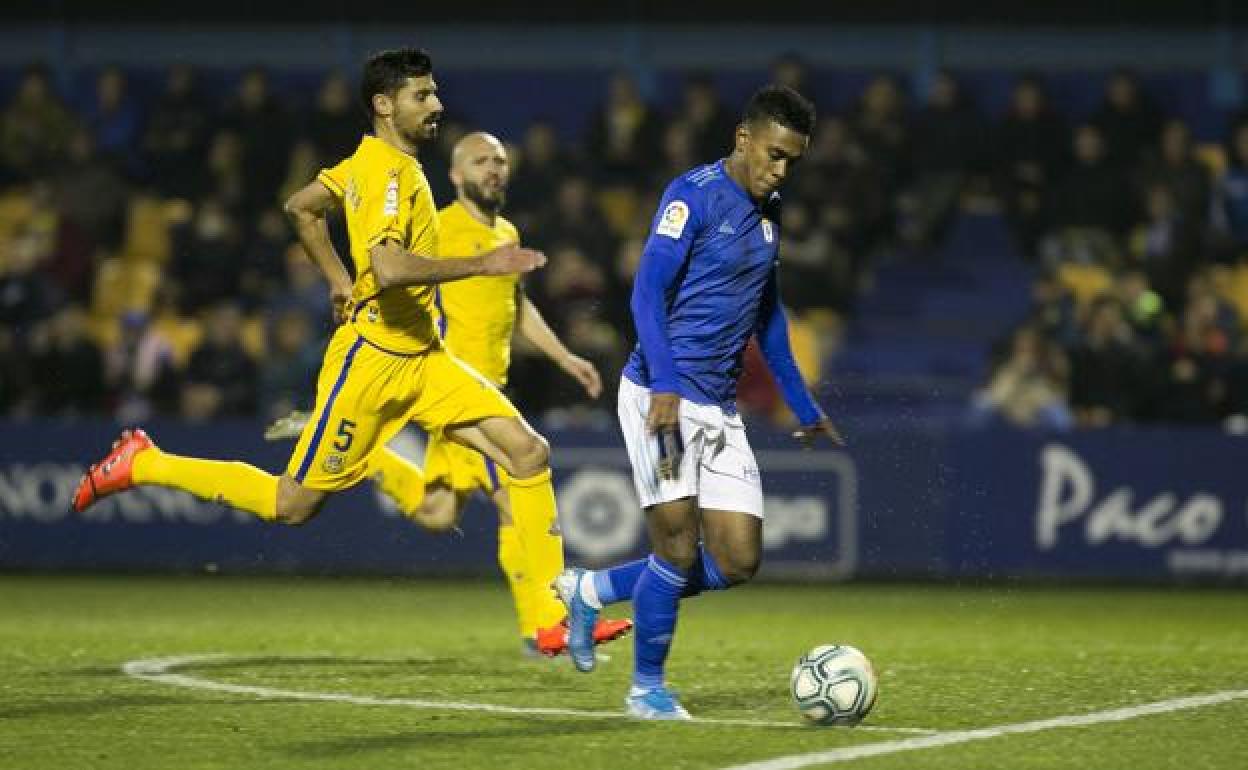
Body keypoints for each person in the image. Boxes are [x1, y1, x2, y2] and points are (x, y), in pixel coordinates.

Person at [71, 50, 567, 629]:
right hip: (373, 365)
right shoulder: (388, 174)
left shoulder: (370, 161)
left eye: (434, 93)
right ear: (384, 105)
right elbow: (388, 268)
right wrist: (481, 265)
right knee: (291, 505)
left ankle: (554, 615)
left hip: (425, 357)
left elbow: (301, 208)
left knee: (528, 453)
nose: (437, 105)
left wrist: (337, 279)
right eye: (422, 96)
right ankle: (146, 464)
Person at [265, 131, 631, 656]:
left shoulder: (506, 231)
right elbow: (394, 274)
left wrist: (564, 357)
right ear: (456, 175)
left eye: (499, 160)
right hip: (453, 390)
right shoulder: (440, 228)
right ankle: (542, 625)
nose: (493, 169)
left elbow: (517, 305)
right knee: (516, 496)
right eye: (481, 161)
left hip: (486, 392)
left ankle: (367, 456)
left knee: (438, 514)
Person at [553, 85, 843, 719]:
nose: (781, 170)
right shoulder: (692, 196)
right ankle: (646, 689)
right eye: (773, 154)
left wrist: (802, 403)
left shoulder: (770, 214)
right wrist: (665, 384)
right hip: (661, 396)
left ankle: (591, 588)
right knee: (678, 548)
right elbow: (645, 293)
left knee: (738, 559)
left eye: (792, 161)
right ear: (743, 138)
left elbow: (768, 318)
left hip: (718, 405)